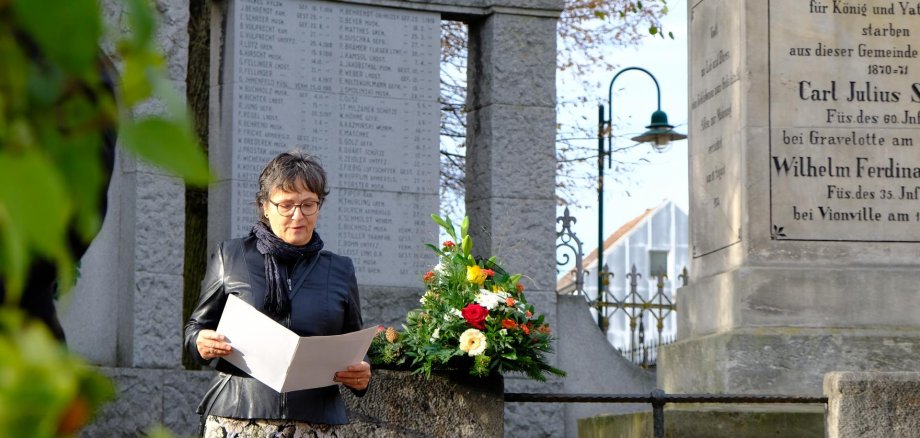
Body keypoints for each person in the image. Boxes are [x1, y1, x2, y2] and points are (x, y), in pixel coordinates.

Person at [184, 151, 371, 437]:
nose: (298, 215)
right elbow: (195, 329)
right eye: (286, 205)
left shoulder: (340, 269)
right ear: (265, 207)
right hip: (239, 417)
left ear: (319, 207)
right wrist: (200, 341)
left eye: (308, 204)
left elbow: (354, 344)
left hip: (315, 423)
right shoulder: (231, 256)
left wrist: (361, 374)